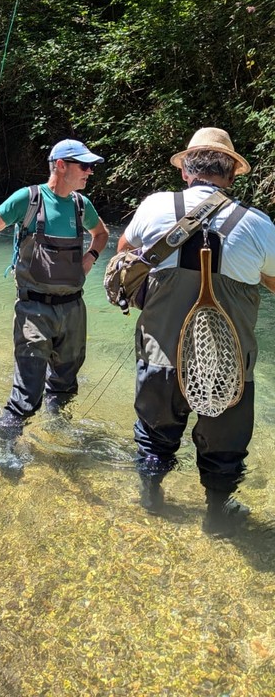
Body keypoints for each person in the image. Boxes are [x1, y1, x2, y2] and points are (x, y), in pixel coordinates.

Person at [116, 127, 275, 535]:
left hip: (160, 357)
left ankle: (152, 500)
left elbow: (123, 256)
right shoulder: (258, 224)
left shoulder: (154, 207)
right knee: (225, 449)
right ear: (233, 174)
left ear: (187, 169)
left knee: (154, 432)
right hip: (227, 368)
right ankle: (217, 519)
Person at [0, 139, 109, 455]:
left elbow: (102, 234)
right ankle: (3, 444)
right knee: (27, 394)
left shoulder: (83, 205)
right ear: (61, 165)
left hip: (74, 310)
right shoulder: (27, 199)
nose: (90, 172)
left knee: (65, 385)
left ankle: (57, 431)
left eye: (91, 166)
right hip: (33, 310)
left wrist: (90, 257)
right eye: (84, 165)